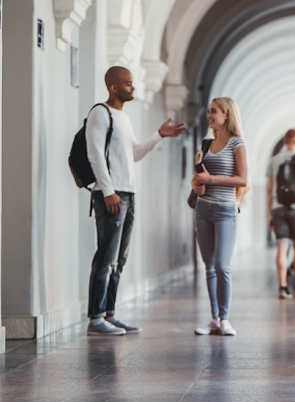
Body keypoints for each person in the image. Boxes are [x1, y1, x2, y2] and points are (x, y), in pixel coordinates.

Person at [86, 66, 186, 336]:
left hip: (128, 192)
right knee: (105, 256)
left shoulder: (124, 118)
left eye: (133, 83)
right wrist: (108, 191)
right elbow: (95, 154)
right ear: (113, 87)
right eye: (128, 84)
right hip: (111, 194)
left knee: (120, 258)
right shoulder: (100, 113)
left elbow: (135, 154)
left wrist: (159, 135)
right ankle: (95, 318)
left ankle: (109, 314)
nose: (133, 87)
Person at [191, 97, 248, 337]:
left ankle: (225, 318)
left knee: (222, 266)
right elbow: (197, 178)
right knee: (209, 267)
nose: (209, 115)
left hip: (225, 210)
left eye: (213, 111)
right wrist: (196, 185)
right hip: (202, 210)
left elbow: (243, 180)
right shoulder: (204, 143)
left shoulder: (237, 144)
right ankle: (214, 319)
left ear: (226, 114)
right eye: (208, 111)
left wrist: (211, 180)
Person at [267, 129, 295, 299]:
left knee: (281, 248)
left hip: (278, 207)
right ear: (294, 140)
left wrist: (270, 213)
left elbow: (270, 189)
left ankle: (283, 287)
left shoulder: (274, 160)